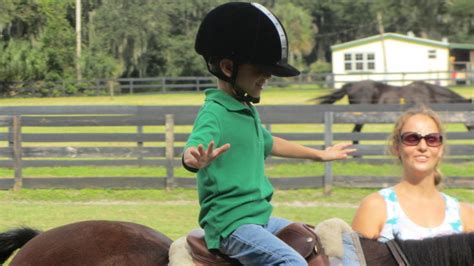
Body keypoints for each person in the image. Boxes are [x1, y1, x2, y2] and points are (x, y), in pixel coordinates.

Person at [182, 2, 356, 265]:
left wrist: (320, 155)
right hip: (231, 225)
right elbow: (195, 145)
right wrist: (193, 159)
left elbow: (271, 143)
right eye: (261, 69)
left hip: (260, 218)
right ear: (228, 68)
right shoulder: (214, 112)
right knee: (292, 262)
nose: (268, 77)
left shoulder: (245, 110)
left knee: (324, 241)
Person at [352, 106, 474, 241]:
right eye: (412, 138)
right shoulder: (375, 207)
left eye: (432, 139)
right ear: (396, 148)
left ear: (440, 149)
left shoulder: (465, 215)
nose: (422, 147)